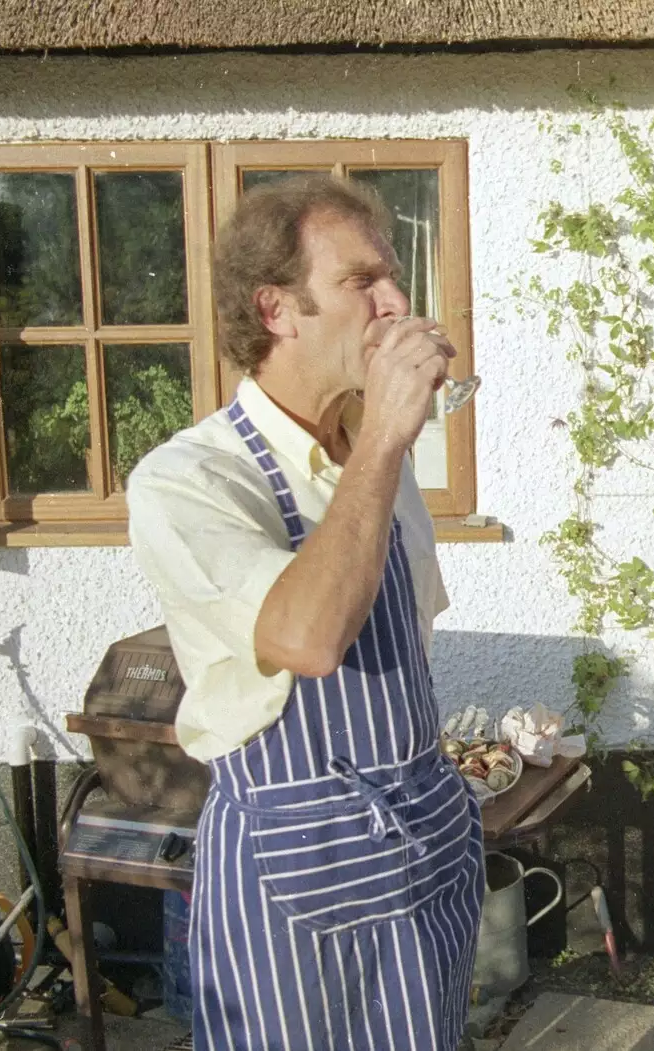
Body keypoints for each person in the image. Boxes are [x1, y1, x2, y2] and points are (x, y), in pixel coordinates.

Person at [127, 175, 483, 1051]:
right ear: (277, 309)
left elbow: (411, 643)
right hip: (296, 875)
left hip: (422, 851)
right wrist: (386, 440)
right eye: (364, 281)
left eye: (394, 276)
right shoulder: (190, 480)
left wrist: (379, 445)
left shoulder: (378, 459)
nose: (397, 302)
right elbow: (307, 637)